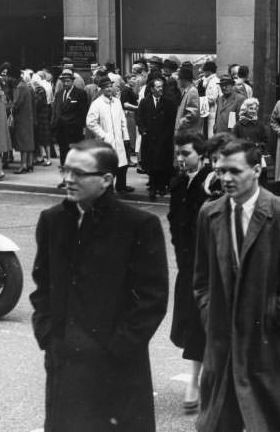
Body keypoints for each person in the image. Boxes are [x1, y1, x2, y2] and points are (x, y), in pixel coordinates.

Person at [29, 140, 169, 432]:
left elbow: (151, 299)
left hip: (115, 368)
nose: (68, 179)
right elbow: (42, 286)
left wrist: (117, 347)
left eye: (79, 173)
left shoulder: (138, 225)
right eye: (66, 170)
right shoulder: (52, 221)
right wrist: (49, 336)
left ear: (106, 179)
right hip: (64, 362)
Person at [192, 139, 280, 432]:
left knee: (275, 420)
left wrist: (276, 319)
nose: (225, 179)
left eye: (234, 171)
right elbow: (201, 279)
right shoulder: (209, 214)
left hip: (269, 344)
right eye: (220, 171)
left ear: (257, 169)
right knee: (220, 421)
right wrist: (212, 317)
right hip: (224, 345)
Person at [168, 131, 212, 413]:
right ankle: (201, 378)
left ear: (201, 155)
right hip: (188, 264)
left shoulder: (211, 183)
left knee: (202, 323)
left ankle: (195, 382)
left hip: (209, 266)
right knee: (192, 323)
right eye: (179, 154)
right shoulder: (178, 184)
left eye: (186, 153)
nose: (181, 159)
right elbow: (175, 223)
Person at [86, 75, 132, 194]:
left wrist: (126, 136)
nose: (108, 89)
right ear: (101, 89)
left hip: (119, 139)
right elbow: (90, 122)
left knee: (122, 165)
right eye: (105, 87)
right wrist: (103, 135)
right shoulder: (97, 104)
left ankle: (121, 186)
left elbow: (123, 120)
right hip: (106, 141)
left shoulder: (117, 102)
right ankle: (108, 188)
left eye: (110, 86)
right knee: (108, 167)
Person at [137, 76, 178, 200]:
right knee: (150, 164)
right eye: (158, 87)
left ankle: (162, 186)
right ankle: (153, 187)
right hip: (149, 139)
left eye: (162, 87)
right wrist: (143, 131)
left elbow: (171, 122)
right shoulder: (144, 102)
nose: (161, 89)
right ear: (152, 88)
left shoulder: (168, 102)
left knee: (163, 164)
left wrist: (166, 136)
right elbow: (139, 118)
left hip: (164, 140)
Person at [51, 69, 89, 173]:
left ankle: (75, 176)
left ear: (72, 81)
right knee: (63, 154)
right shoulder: (59, 93)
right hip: (61, 130)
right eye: (64, 81)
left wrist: (81, 128)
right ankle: (65, 177)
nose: (65, 83)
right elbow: (57, 110)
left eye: (68, 81)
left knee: (74, 154)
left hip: (74, 130)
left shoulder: (80, 93)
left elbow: (83, 113)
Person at [11, 70, 36, 173]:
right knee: (28, 141)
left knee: (23, 142)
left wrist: (11, 109)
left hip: (21, 118)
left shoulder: (20, 87)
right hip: (28, 117)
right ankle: (29, 164)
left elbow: (17, 103)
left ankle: (23, 165)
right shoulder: (27, 86)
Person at [176, 64, 205, 134]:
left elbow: (192, 114)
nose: (178, 81)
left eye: (179, 78)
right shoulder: (187, 91)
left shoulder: (192, 91)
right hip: (185, 131)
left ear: (184, 79)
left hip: (187, 132)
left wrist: (180, 123)